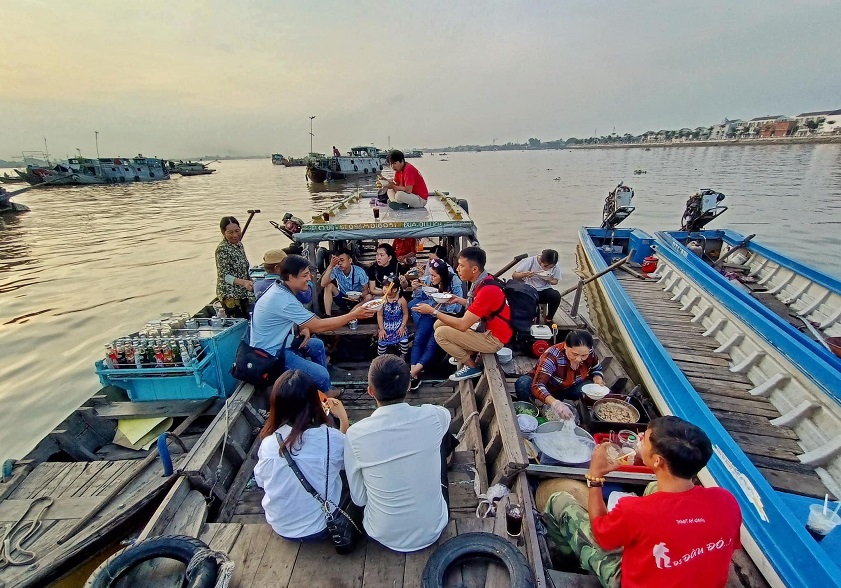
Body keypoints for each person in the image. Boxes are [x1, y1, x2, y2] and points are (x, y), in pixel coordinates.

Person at [543, 416, 742, 588]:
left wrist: (595, 477)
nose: (639, 440)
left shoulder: (635, 510)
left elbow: (600, 535)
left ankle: (567, 561)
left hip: (632, 582)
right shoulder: (727, 501)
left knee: (559, 502)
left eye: (644, 439)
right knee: (653, 488)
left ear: (657, 460)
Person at [344, 355, 451, 552]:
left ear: (370, 391)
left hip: (383, 533)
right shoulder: (434, 415)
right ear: (409, 385)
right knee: (441, 439)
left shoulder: (355, 434)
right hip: (434, 526)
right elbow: (446, 416)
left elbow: (359, 499)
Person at [252, 255, 374, 396]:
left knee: (316, 345)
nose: (309, 279)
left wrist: (302, 327)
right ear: (291, 277)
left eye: (309, 274)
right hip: (272, 354)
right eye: (305, 275)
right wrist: (353, 315)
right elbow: (318, 326)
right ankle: (320, 383)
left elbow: (300, 318)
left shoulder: (281, 289)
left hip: (283, 342)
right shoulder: (283, 299)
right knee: (322, 374)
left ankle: (324, 388)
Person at [254, 370, 349, 542]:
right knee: (347, 479)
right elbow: (347, 463)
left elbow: (260, 482)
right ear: (314, 402)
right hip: (321, 526)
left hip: (281, 527)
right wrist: (343, 419)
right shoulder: (330, 437)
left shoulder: (268, 443)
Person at [415, 246, 512, 381]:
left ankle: (472, 366)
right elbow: (479, 306)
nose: (457, 269)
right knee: (439, 324)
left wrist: (432, 311)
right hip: (484, 328)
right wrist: (458, 300)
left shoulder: (487, 290)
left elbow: (462, 325)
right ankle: (464, 352)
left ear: (474, 269)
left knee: (440, 334)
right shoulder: (482, 280)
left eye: (461, 266)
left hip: (493, 339)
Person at [514, 330, 606, 419]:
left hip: (569, 387)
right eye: (574, 354)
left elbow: (596, 368)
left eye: (583, 356)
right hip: (549, 387)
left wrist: (597, 377)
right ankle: (531, 414)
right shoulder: (552, 356)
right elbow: (537, 385)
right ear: (566, 346)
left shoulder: (589, 352)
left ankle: (584, 413)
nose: (579, 359)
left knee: (590, 387)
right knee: (523, 383)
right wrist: (556, 404)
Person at [409, 258, 464, 389]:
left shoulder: (454, 282)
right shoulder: (429, 280)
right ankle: (415, 374)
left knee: (432, 343)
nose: (430, 278)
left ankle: (412, 374)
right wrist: (415, 289)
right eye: (430, 274)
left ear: (442, 275)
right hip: (431, 311)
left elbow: (457, 309)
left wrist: (446, 300)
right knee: (418, 339)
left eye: (434, 276)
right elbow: (424, 295)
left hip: (447, 315)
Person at [215, 216, 253, 318]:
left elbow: (243, 268)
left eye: (237, 231)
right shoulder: (222, 249)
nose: (235, 235)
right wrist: (244, 282)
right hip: (230, 295)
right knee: (240, 321)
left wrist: (250, 281)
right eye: (230, 232)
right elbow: (225, 276)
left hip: (242, 292)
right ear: (223, 233)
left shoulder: (239, 245)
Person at [512, 249, 563, 322]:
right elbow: (514, 275)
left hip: (545, 290)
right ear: (541, 261)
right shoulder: (531, 261)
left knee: (556, 296)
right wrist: (525, 274)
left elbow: (556, 281)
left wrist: (549, 280)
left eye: (550, 267)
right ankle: (530, 317)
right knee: (527, 298)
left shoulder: (555, 266)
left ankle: (549, 319)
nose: (547, 269)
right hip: (529, 288)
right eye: (545, 266)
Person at [320, 247, 369, 316]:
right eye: (337, 261)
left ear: (350, 260)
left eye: (342, 260)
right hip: (343, 298)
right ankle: (327, 315)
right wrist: (331, 266)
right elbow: (323, 284)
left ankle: (350, 315)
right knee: (328, 286)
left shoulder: (360, 272)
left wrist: (358, 296)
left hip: (357, 300)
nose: (339, 263)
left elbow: (366, 290)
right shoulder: (336, 269)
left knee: (369, 297)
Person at [377, 277, 410, 358]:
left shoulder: (401, 300)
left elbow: (405, 314)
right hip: (386, 327)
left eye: (387, 287)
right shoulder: (382, 300)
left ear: (394, 289)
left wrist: (402, 326)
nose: (384, 288)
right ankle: (381, 360)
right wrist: (381, 329)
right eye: (384, 286)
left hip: (399, 326)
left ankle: (403, 357)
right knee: (381, 346)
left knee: (404, 342)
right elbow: (379, 315)